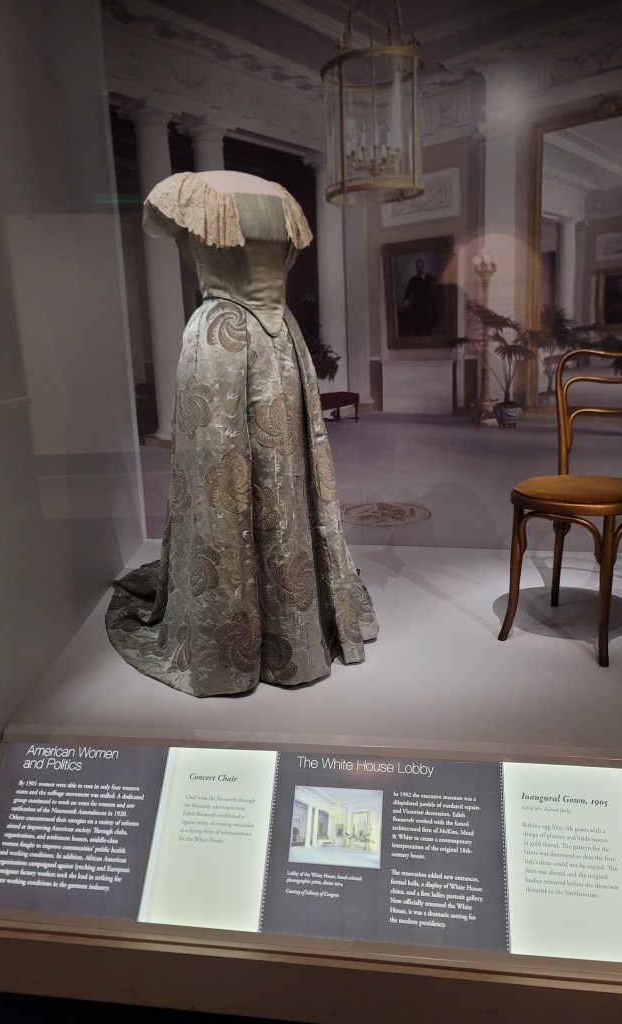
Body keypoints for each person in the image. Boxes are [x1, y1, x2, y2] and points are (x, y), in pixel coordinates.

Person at [106, 170, 378, 697]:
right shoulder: (283, 202)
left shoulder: (193, 193)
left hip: (219, 340)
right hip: (280, 343)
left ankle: (247, 626)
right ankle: (281, 624)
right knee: (252, 474)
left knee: (249, 475)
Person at [403, 258, 436, 334]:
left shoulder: (431, 278)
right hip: (417, 307)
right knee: (418, 329)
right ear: (416, 268)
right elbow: (407, 292)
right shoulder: (412, 280)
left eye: (421, 266)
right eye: (418, 267)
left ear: (424, 267)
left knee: (428, 328)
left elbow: (435, 291)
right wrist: (407, 300)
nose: (420, 268)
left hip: (428, 307)